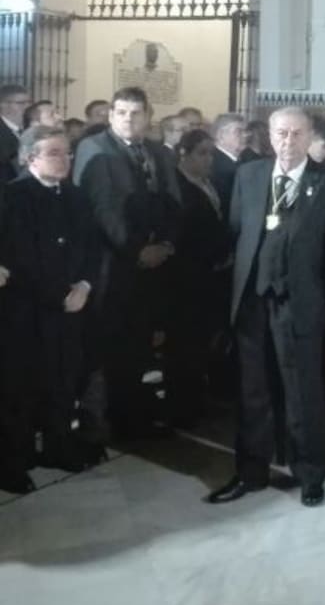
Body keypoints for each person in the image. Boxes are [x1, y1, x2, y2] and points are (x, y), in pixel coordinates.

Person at [207, 107, 325, 508]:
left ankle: (310, 475)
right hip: (253, 300)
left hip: (300, 303)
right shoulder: (249, 176)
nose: (288, 142)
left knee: (303, 390)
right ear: (269, 137)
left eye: (296, 134)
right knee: (252, 391)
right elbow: (237, 230)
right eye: (281, 134)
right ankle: (250, 472)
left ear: (309, 138)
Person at [73, 86, 181, 440]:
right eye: (121, 112)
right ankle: (105, 422)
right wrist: (136, 251)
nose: (128, 119)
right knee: (109, 348)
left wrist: (166, 244)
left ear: (148, 116)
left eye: (135, 113)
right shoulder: (96, 148)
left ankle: (136, 417)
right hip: (112, 267)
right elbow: (104, 211)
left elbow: (174, 203)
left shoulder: (158, 153)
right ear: (111, 114)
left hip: (154, 267)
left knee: (140, 343)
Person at [0, 127, 100, 490]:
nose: (66, 160)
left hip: (71, 307)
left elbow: (92, 247)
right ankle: (14, 460)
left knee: (63, 381)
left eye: (68, 153)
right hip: (27, 311)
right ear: (31, 158)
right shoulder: (14, 197)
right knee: (20, 388)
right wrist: (59, 293)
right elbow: (20, 256)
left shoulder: (76, 196)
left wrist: (85, 286)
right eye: (56, 153)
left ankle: (59, 446)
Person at [169, 129, 231, 426]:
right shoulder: (179, 187)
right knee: (185, 343)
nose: (209, 160)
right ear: (184, 154)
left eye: (211, 153)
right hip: (187, 276)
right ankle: (183, 406)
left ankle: (200, 397)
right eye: (202, 153)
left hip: (211, 274)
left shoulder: (209, 183)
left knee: (203, 341)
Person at [210, 113, 249, 217]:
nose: (245, 135)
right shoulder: (215, 164)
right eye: (239, 131)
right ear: (221, 135)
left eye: (245, 131)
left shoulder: (242, 162)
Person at [0, 84, 30, 182]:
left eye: (29, 102)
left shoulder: (28, 129)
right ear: (3, 104)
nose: (27, 107)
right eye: (21, 103)